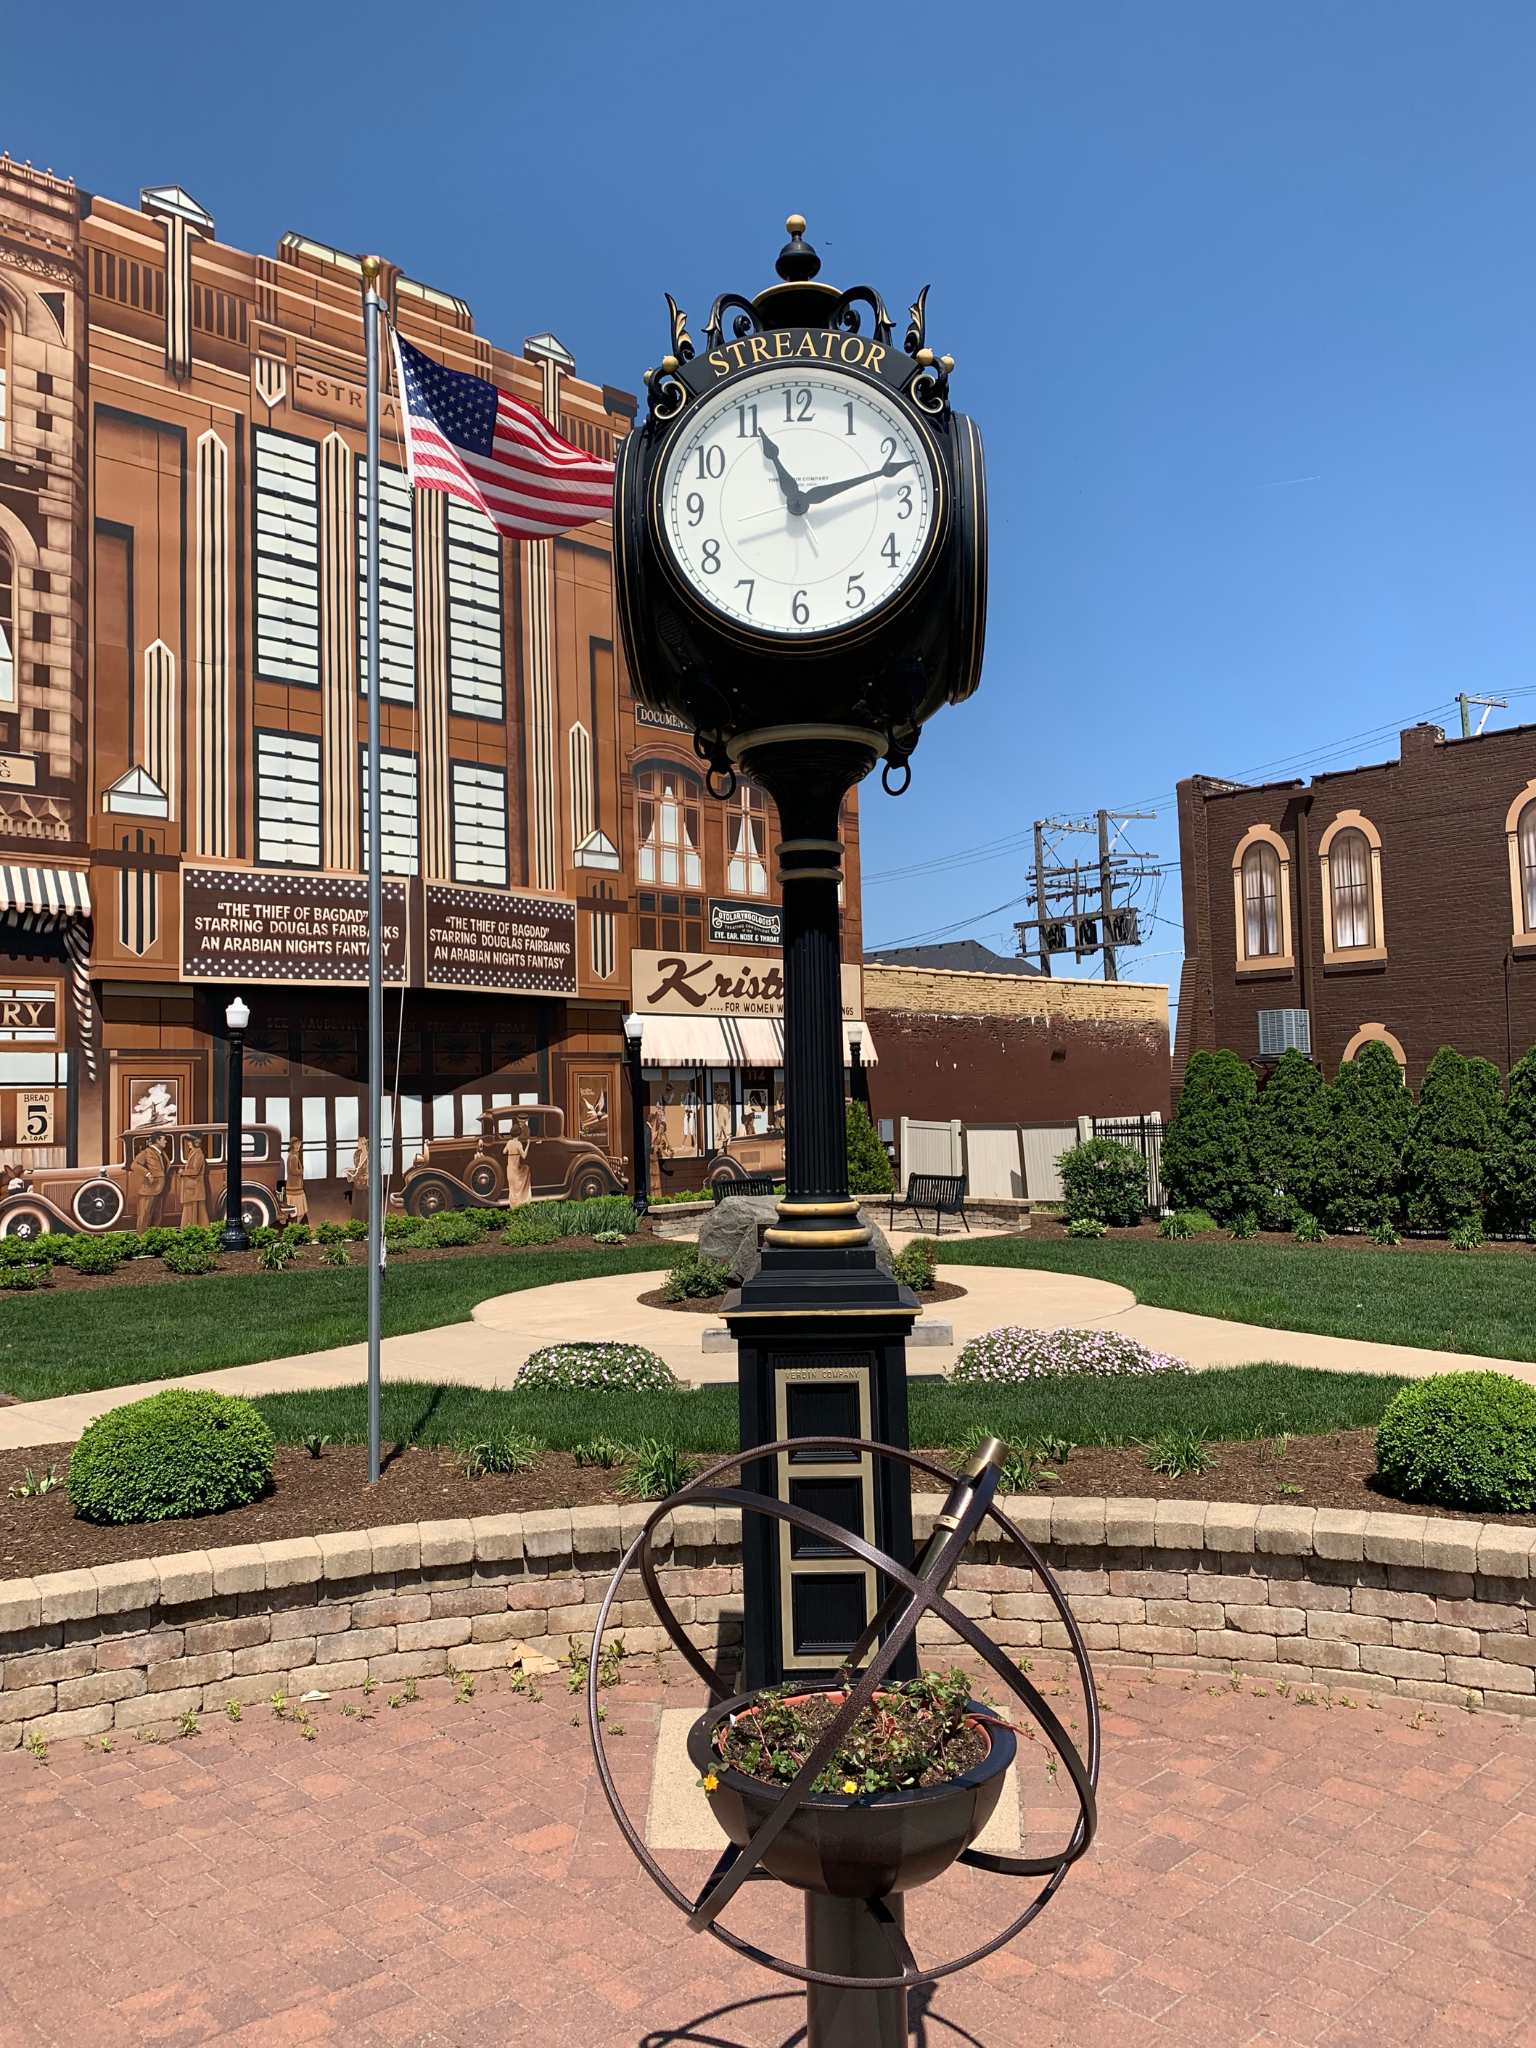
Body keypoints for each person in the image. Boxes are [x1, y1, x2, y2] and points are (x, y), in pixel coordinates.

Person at [128, 1138, 166, 1231]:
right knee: (144, 1216)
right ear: (157, 1140)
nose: (165, 1142)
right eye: (164, 1139)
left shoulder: (162, 1154)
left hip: (159, 1188)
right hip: (148, 1190)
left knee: (157, 1216)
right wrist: (147, 1174)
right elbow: (134, 1165)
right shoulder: (146, 1152)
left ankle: (153, 1237)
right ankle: (141, 1238)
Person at [177, 1137, 209, 1229]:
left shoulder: (198, 1154)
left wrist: (182, 1172)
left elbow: (195, 1171)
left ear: (195, 1142)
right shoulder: (194, 1153)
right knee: (194, 1212)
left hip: (194, 1188)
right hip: (192, 1188)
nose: (188, 1143)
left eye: (190, 1141)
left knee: (191, 1212)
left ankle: (190, 1231)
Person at [503, 1119, 532, 1208]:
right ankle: (521, 1202)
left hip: (509, 1169)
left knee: (512, 1190)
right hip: (516, 1170)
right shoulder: (518, 1144)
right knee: (526, 1169)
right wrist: (527, 1145)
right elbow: (524, 1156)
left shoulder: (509, 1142)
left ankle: (513, 1207)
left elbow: (504, 1151)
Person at [285, 1137, 307, 1224]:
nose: (299, 1146)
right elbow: (293, 1171)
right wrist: (301, 1171)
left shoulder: (292, 1155)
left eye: (299, 1144)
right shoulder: (294, 1156)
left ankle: (292, 1226)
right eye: (297, 1144)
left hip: (293, 1185)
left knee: (295, 1212)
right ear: (293, 1145)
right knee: (300, 1210)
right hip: (295, 1187)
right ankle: (294, 1226)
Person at [345, 1137, 369, 1218]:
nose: (357, 1145)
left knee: (366, 1206)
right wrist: (349, 1170)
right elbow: (357, 1169)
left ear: (363, 1144)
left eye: (358, 1143)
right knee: (357, 1206)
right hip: (357, 1184)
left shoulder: (371, 1154)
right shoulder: (357, 1154)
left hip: (367, 1185)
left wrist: (370, 1175)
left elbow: (379, 1167)